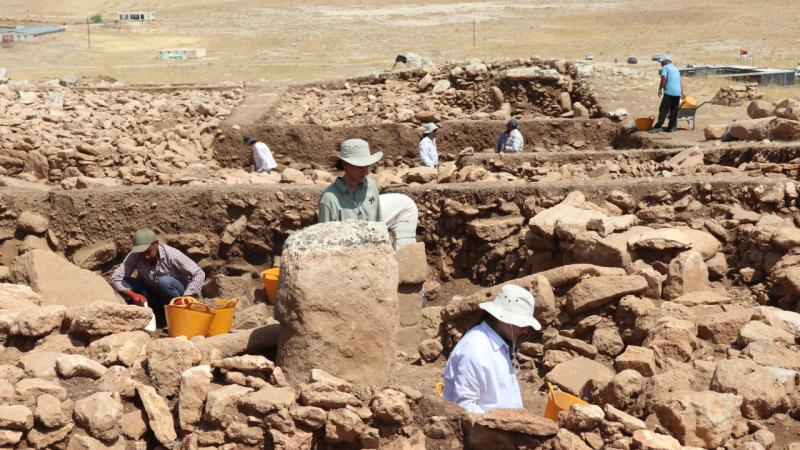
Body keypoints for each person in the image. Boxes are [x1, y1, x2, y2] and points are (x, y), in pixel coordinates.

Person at [443, 284, 541, 414]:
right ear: (504, 318)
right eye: (521, 324)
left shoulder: (498, 341)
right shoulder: (475, 350)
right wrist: (500, 423)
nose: (525, 330)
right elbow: (464, 407)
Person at [109, 228, 205, 327]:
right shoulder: (135, 255)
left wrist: (187, 296)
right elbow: (116, 278)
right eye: (141, 253)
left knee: (164, 282)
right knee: (127, 281)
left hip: (179, 295)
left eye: (147, 251)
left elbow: (199, 273)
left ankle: (179, 316)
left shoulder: (172, 255)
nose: (145, 256)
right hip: (156, 296)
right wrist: (132, 294)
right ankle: (159, 315)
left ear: (156, 243)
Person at [318, 138, 383, 222]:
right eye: (359, 166)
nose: (365, 171)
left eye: (367, 166)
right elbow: (325, 230)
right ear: (344, 164)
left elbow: (378, 223)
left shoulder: (371, 187)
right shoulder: (329, 200)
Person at [651, 54, 684, 133]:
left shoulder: (665, 67)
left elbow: (664, 78)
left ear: (666, 61)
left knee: (663, 109)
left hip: (669, 92)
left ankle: (658, 126)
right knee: (674, 110)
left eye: (662, 62)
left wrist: (660, 89)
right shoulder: (676, 69)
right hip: (677, 93)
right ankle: (672, 127)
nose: (661, 63)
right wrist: (681, 93)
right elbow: (680, 82)